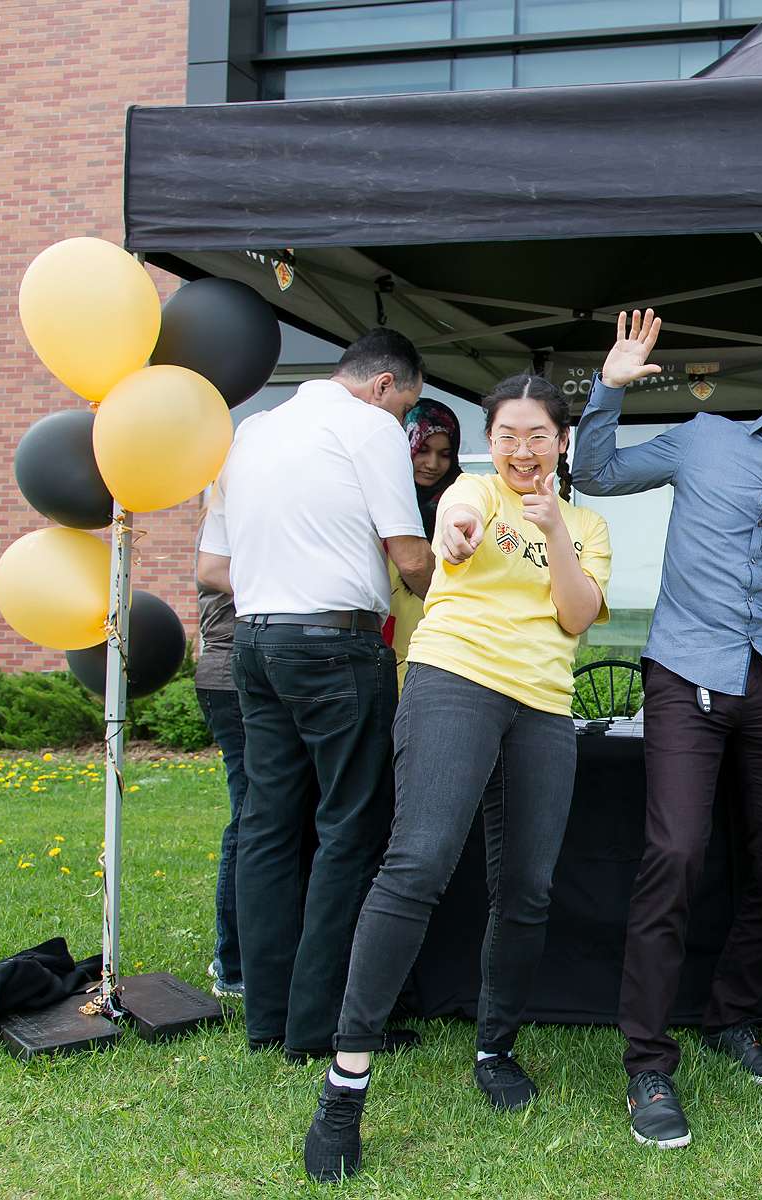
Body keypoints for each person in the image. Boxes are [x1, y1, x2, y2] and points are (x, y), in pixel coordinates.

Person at [303, 375, 611, 1183]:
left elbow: (576, 616)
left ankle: (494, 1047)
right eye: (507, 434)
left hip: (543, 703)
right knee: (419, 864)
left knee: (529, 890)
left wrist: (560, 540)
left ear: (562, 442)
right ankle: (345, 1086)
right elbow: (455, 528)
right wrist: (461, 537)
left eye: (538, 435)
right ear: (491, 440)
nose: (522, 450)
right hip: (455, 678)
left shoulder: (587, 522)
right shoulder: (473, 489)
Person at [574, 308, 762, 1149]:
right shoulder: (701, 437)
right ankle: (647, 1064)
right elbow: (593, 475)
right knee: (675, 854)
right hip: (685, 668)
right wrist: (609, 387)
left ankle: (732, 1015)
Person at [195, 327, 436, 1063]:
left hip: (257, 643)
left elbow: (212, 566)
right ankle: (322, 1027)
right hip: (338, 647)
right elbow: (410, 558)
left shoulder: (250, 433)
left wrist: (286, 582)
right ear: (384, 388)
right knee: (349, 830)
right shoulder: (369, 428)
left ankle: (267, 1019)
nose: (404, 425)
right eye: (408, 411)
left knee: (268, 827)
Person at [193, 486, 246, 1002]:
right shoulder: (226, 522)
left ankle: (238, 955)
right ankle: (231, 960)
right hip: (232, 677)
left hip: (228, 675)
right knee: (251, 817)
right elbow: (213, 575)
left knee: (256, 815)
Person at [386, 398, 463, 687]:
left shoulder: (463, 502)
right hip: (383, 638)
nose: (432, 464)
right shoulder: (382, 497)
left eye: (444, 454)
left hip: (441, 644)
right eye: (423, 450)